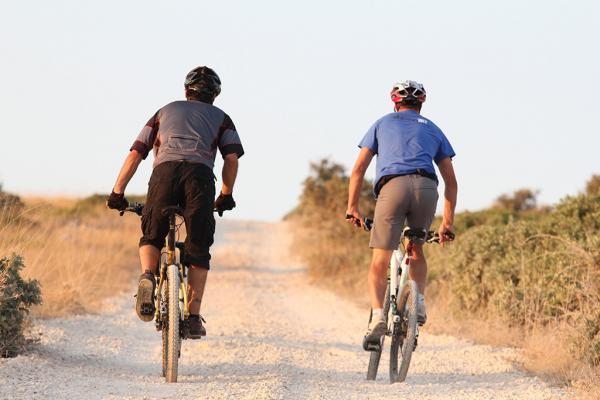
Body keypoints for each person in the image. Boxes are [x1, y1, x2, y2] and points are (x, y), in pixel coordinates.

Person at [107, 66, 244, 339]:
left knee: (152, 234)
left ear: (186, 90)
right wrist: (226, 194)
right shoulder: (222, 118)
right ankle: (193, 318)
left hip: (164, 174)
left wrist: (117, 193)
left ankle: (148, 275)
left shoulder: (164, 111)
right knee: (198, 247)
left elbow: (136, 153)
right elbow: (231, 158)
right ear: (215, 94)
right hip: (199, 179)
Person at [345, 80, 457, 346]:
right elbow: (451, 182)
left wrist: (352, 207)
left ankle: (377, 318)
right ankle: (418, 304)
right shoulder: (434, 129)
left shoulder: (381, 124)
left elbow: (358, 170)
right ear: (421, 104)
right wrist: (447, 224)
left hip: (393, 188)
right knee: (415, 248)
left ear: (395, 103)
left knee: (380, 259)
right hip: (426, 189)